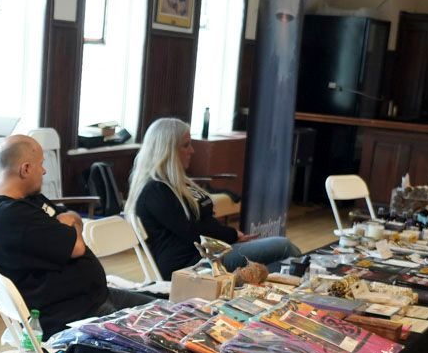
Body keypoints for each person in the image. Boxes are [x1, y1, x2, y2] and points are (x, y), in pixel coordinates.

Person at [0, 133, 154, 335]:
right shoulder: (12, 216)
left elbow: (69, 217)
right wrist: (71, 224)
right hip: (75, 314)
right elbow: (76, 246)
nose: (44, 171)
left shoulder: (19, 200)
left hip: (95, 296)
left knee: (172, 311)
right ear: (25, 169)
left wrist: (70, 224)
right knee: (166, 333)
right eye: (41, 164)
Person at [126, 117, 300, 276]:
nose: (192, 151)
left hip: (211, 253)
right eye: (186, 145)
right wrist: (231, 234)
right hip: (191, 265)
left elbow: (202, 224)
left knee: (279, 256)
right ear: (167, 150)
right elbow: (193, 232)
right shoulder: (155, 191)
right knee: (283, 246)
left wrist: (231, 235)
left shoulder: (176, 183)